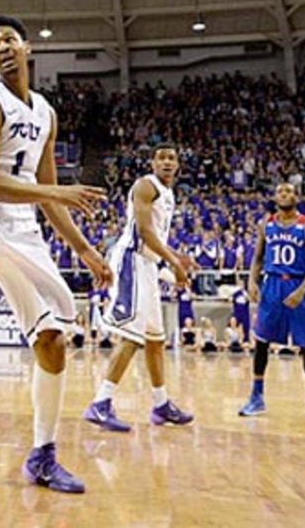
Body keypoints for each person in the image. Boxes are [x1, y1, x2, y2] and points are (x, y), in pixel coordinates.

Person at [0, 16, 111, 494]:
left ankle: (43, 455)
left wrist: (87, 251)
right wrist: (55, 190)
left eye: (9, 39)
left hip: (23, 228)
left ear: (27, 47)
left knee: (52, 343)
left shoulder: (46, 112)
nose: (3, 47)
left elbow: (48, 199)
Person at [83, 145, 195, 433]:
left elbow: (154, 242)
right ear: (153, 163)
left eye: (172, 158)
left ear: (178, 164)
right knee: (132, 337)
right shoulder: (146, 186)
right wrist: (175, 260)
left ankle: (160, 404)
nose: (168, 162)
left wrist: (172, 263)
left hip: (147, 265)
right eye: (162, 158)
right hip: (131, 261)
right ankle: (100, 403)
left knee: (155, 340)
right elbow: (144, 233)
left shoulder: (168, 194)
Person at [238, 182, 305, 421]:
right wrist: (251, 282)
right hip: (272, 286)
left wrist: (302, 290)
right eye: (280, 191)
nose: (284, 194)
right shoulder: (265, 224)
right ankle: (256, 397)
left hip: (298, 285)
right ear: (275, 196)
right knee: (261, 343)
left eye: (289, 191)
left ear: (296, 196)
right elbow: (257, 258)